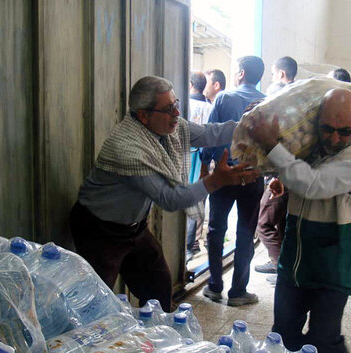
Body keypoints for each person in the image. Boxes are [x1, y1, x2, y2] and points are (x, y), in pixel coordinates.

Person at [69, 76, 259, 312]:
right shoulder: (127, 148)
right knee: (97, 304)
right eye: (169, 109)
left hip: (133, 227)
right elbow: (170, 198)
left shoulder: (171, 127)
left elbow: (209, 133)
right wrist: (215, 181)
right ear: (143, 116)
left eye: (176, 103)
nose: (177, 113)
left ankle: (161, 335)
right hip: (99, 231)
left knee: (159, 288)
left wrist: (247, 126)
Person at [246, 88, 351, 353]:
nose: (334, 138)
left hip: (332, 268)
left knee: (323, 339)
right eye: (327, 129)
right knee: (283, 335)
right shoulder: (312, 147)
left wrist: (272, 145)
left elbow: (313, 184)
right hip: (296, 261)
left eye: (343, 131)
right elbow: (298, 174)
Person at [201, 56, 266, 307]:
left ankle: (214, 286)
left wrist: (206, 165)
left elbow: (211, 134)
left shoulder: (224, 98)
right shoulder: (267, 102)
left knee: (217, 229)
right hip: (253, 176)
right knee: (246, 233)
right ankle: (238, 292)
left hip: (224, 174)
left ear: (240, 73)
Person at [255, 56, 298, 276]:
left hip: (280, 176)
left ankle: (280, 268)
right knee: (281, 223)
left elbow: (276, 141)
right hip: (292, 173)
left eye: (273, 73)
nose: (272, 78)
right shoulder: (299, 102)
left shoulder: (280, 99)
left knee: (264, 223)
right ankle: (283, 266)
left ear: (281, 74)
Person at [186, 71, 213, 261]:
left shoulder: (185, 106)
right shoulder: (210, 108)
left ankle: (186, 244)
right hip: (204, 161)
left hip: (187, 158)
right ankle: (193, 242)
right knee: (199, 201)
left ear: (190, 84)